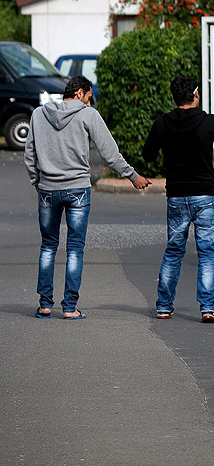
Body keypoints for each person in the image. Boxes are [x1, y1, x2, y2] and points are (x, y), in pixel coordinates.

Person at [24, 75, 150, 319]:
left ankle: (45, 304)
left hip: (48, 189)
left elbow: (29, 155)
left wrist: (38, 183)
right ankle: (69, 307)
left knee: (48, 246)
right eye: (89, 98)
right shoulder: (88, 115)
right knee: (74, 249)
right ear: (80, 93)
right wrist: (132, 176)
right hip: (78, 191)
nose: (90, 104)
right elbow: (109, 153)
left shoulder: (39, 114)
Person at [142, 74, 214, 323]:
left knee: (173, 251)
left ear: (173, 97)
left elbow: (148, 155)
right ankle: (208, 308)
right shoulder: (208, 122)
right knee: (207, 253)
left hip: (177, 196)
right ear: (196, 94)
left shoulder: (162, 123)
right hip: (204, 196)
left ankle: (164, 306)